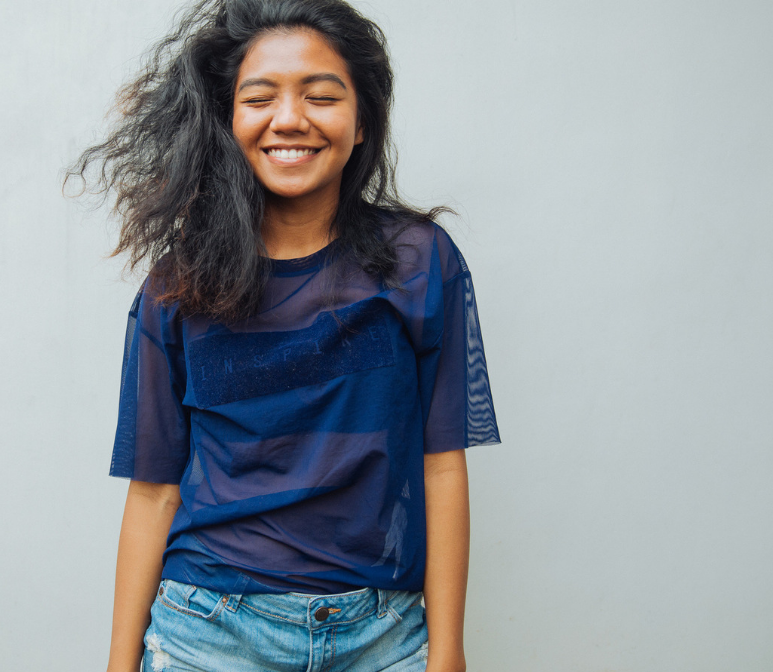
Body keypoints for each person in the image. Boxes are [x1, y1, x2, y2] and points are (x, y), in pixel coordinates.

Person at [69, 1, 500, 670]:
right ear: (228, 120)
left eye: (321, 96)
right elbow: (155, 489)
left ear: (361, 123)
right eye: (260, 97)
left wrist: (448, 654)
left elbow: (441, 463)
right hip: (208, 632)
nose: (290, 118)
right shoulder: (176, 288)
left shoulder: (420, 262)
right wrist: (119, 665)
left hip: (382, 635)